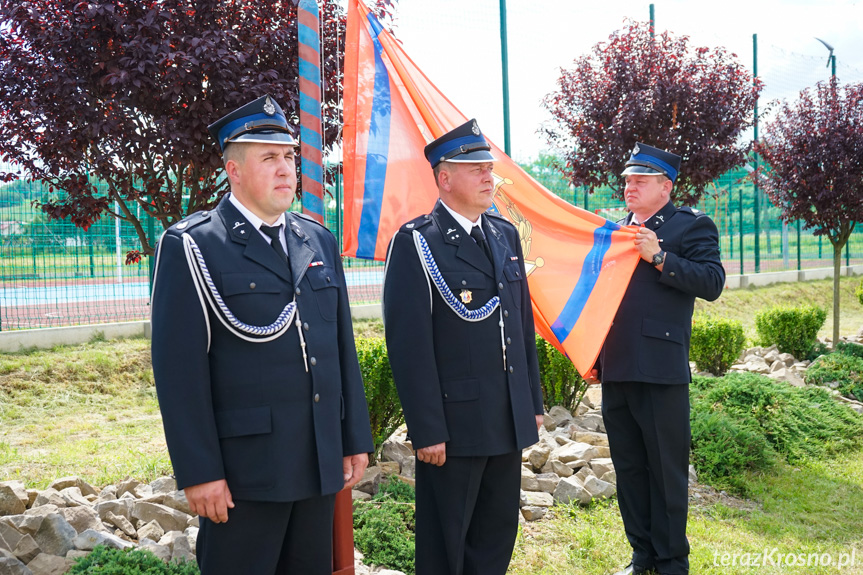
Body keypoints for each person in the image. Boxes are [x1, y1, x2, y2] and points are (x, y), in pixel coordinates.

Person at [150, 94, 373, 575]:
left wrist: (352, 437)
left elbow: (340, 350)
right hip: (246, 473)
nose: (286, 169)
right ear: (233, 170)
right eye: (269, 158)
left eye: (290, 157)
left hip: (316, 462)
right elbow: (179, 373)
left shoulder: (316, 239)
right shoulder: (194, 245)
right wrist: (201, 471)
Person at [383, 119, 545, 575]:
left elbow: (520, 323)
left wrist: (530, 400)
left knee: (496, 537)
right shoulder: (418, 242)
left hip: (506, 416)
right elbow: (408, 345)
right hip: (454, 426)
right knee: (446, 543)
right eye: (475, 169)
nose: (488, 177)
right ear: (444, 178)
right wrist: (427, 428)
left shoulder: (503, 234)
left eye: (488, 168)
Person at [587, 143, 725, 575]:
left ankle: (671, 563)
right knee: (629, 469)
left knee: (666, 473)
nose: (629, 186)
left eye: (639, 180)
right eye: (627, 180)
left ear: (665, 187)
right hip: (617, 367)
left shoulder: (690, 227)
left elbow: (712, 281)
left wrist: (661, 258)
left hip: (661, 371)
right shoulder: (615, 231)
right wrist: (594, 352)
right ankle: (641, 556)